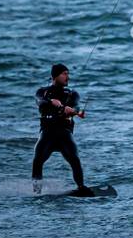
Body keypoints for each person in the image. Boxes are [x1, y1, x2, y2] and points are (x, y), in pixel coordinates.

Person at [31, 62, 92, 195]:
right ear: (55, 76)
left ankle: (81, 187)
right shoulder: (43, 92)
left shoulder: (72, 94)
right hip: (47, 133)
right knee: (37, 160)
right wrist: (51, 102)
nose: (67, 77)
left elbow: (76, 106)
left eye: (68, 74)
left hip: (64, 133)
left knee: (75, 159)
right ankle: (36, 192)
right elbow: (39, 101)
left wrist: (73, 110)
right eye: (64, 74)